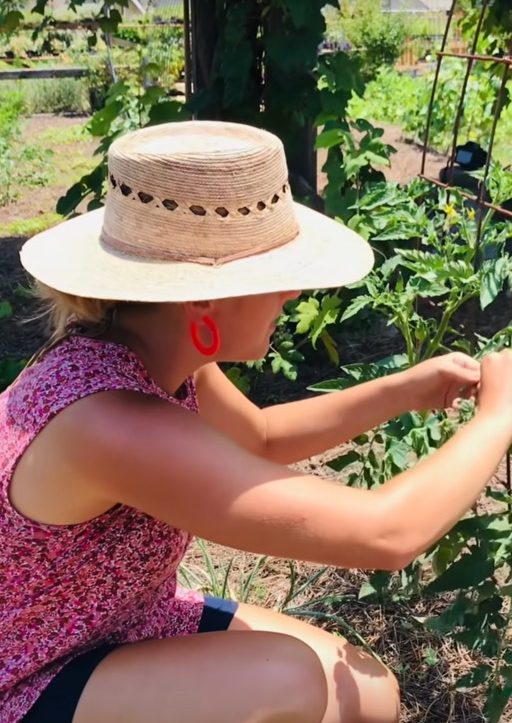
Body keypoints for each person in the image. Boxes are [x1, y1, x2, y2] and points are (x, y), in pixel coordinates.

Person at [1, 120, 512, 723]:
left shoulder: (157, 356)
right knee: (286, 681)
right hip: (32, 677)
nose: (291, 294)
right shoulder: (110, 424)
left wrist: (405, 388)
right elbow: (387, 536)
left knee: (368, 696)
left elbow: (262, 436)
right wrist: (498, 416)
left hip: (123, 621)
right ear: (203, 299)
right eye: (274, 276)